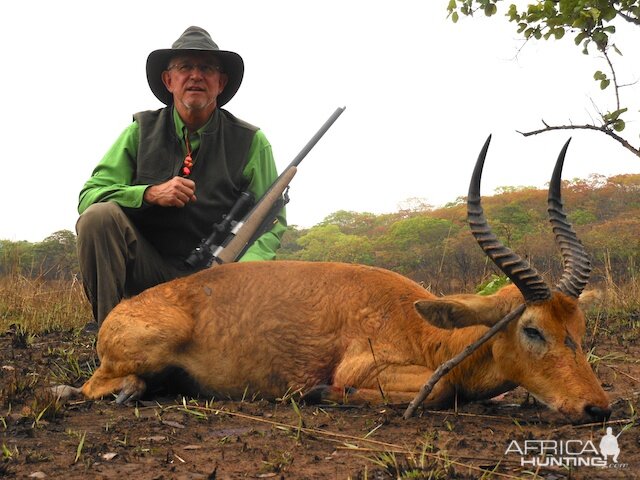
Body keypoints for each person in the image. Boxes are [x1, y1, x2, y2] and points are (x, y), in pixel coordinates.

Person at [76, 26, 286, 326]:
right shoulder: (140, 132)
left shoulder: (252, 142)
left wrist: (238, 274)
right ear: (169, 80)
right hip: (151, 273)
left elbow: (271, 223)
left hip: (219, 282)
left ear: (221, 82)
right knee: (98, 217)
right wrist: (148, 194)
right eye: (185, 66)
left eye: (207, 68)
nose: (196, 76)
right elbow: (89, 196)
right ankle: (109, 335)